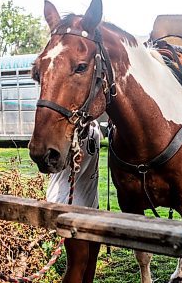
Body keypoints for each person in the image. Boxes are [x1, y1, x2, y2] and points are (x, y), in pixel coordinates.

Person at [46, 120, 102, 282]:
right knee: (79, 261)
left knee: (91, 260)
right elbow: (47, 160)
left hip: (91, 200)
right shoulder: (63, 122)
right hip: (68, 201)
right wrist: (69, 157)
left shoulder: (93, 122)